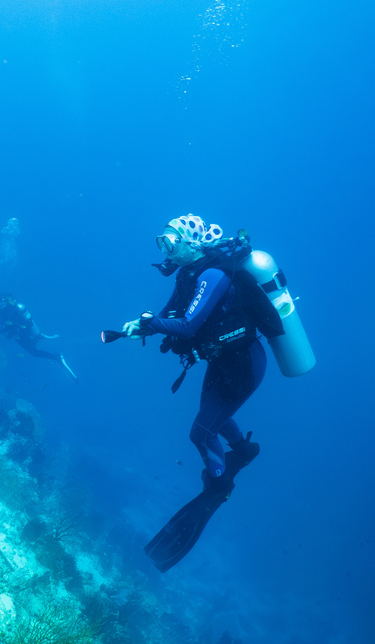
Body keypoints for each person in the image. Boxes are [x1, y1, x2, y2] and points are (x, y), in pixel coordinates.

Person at [122, 214, 278, 571]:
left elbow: (189, 324)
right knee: (212, 418)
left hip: (244, 366)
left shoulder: (213, 274)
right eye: (162, 241)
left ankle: (218, 484)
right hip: (221, 361)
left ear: (191, 243)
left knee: (201, 431)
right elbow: (171, 312)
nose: (166, 249)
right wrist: (141, 326)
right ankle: (243, 449)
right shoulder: (187, 273)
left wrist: (152, 323)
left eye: (171, 242)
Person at [0, 293, 78, 382]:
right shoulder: (2, 312)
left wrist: (1, 331)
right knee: (34, 352)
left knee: (35, 352)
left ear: (3, 300)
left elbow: (12, 325)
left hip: (22, 334)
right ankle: (52, 352)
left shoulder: (10, 311)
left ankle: (57, 357)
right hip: (18, 336)